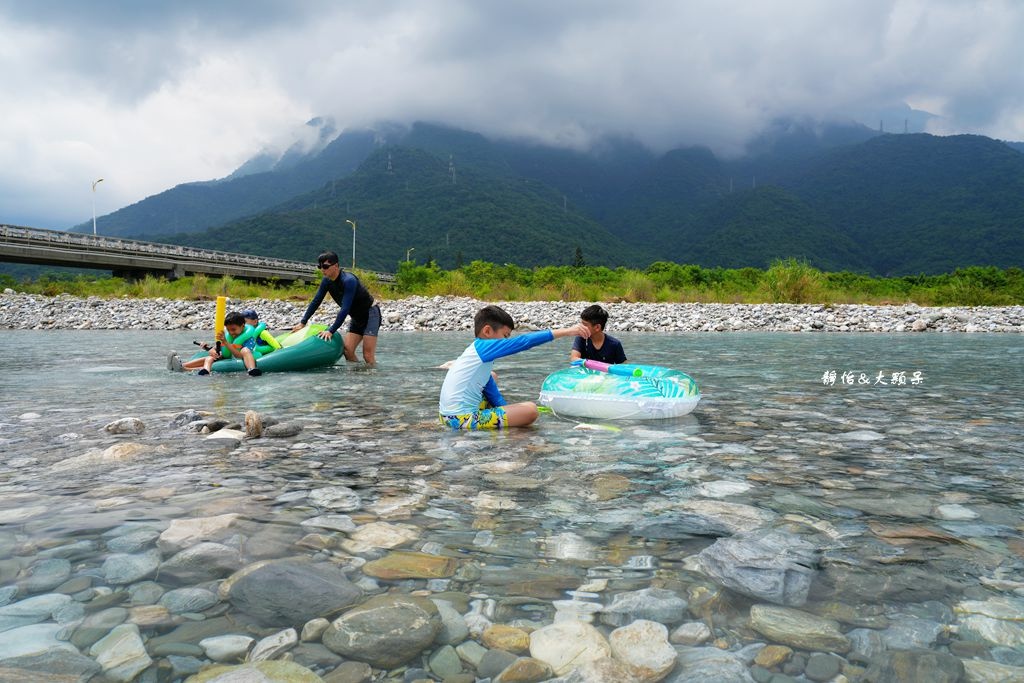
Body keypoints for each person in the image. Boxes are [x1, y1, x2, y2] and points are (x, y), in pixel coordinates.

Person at [439, 305, 590, 430]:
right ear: (487, 331)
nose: (506, 341)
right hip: (460, 420)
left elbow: (491, 391)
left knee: (492, 376)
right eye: (505, 336)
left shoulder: (476, 352)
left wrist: (508, 411)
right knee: (531, 410)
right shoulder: (484, 347)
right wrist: (567, 331)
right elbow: (523, 342)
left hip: (446, 416)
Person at [292, 251, 380, 364]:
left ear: (336, 266)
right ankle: (358, 378)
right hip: (356, 317)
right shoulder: (326, 281)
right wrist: (303, 322)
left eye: (325, 266)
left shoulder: (349, 281)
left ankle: (374, 379)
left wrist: (331, 331)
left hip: (370, 314)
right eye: (320, 267)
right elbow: (316, 301)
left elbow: (345, 308)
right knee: (347, 351)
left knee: (367, 356)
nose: (322, 270)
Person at [169, 311, 263, 376]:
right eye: (229, 330)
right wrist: (209, 349)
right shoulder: (228, 335)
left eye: (233, 329)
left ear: (242, 326)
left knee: (245, 350)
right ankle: (183, 366)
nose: (231, 332)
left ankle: (252, 369)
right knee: (209, 358)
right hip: (227, 357)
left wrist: (225, 342)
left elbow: (239, 355)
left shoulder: (248, 337)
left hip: (249, 356)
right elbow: (218, 349)